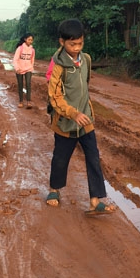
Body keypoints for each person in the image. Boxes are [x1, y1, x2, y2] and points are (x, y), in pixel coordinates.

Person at [45, 19, 116, 215]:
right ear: (62, 42)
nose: (77, 48)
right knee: (61, 158)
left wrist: (83, 111)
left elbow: (85, 85)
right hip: (65, 122)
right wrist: (72, 113)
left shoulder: (87, 59)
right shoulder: (58, 65)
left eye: (80, 43)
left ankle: (95, 201)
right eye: (72, 44)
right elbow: (54, 97)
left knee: (93, 158)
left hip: (86, 120)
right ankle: (54, 190)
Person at [12, 33, 35, 109]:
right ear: (25, 39)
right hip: (19, 69)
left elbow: (32, 60)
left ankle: (29, 101)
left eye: (31, 40)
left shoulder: (32, 50)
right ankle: (21, 101)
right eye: (29, 40)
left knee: (28, 84)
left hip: (28, 69)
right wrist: (17, 68)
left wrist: (31, 68)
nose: (30, 41)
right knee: (20, 85)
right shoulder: (20, 48)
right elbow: (15, 59)